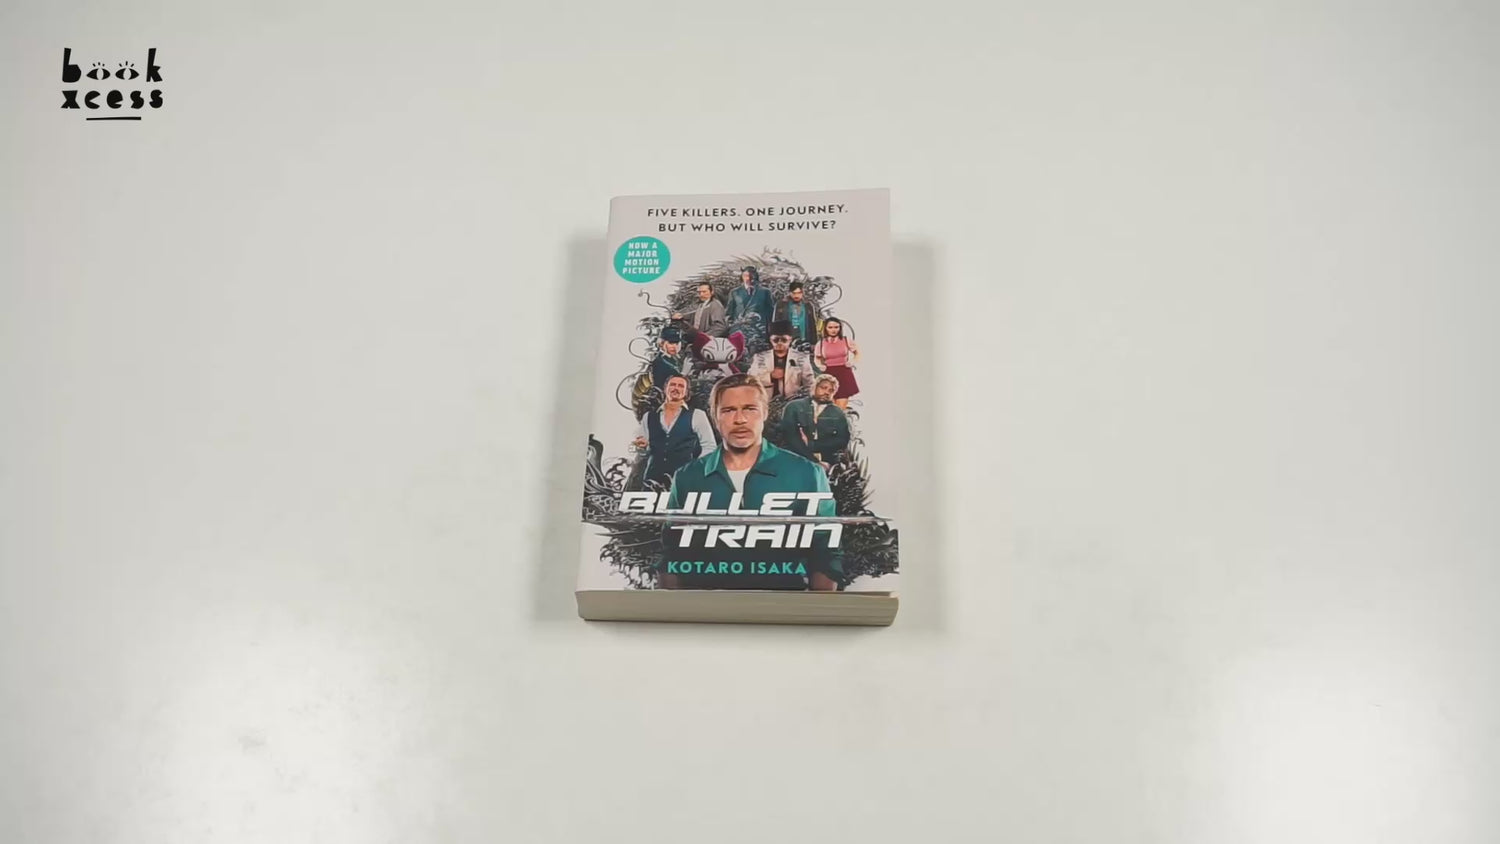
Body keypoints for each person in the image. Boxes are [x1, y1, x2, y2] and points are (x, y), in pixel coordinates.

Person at [659, 374, 842, 591]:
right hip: (708, 607)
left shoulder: (807, 473)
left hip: (782, 605)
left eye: (750, 409)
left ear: (764, 412)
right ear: (715, 417)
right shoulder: (688, 477)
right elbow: (671, 555)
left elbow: (825, 553)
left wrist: (817, 610)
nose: (740, 419)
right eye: (729, 410)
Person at [632, 374, 717, 488]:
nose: (676, 388)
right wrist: (642, 447)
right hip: (652, 480)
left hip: (684, 480)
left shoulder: (697, 415)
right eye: (672, 385)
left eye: (681, 386)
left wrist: (695, 469)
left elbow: (710, 446)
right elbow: (643, 449)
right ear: (665, 388)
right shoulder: (648, 417)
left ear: (686, 392)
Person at [780, 374, 850, 465]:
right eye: (823, 388)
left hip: (826, 462)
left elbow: (842, 440)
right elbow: (789, 436)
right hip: (795, 458)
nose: (827, 392)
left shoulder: (838, 413)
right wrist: (814, 461)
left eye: (831, 390)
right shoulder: (794, 407)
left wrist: (812, 444)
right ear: (814, 387)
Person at [747, 320, 816, 399]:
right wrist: (770, 376)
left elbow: (809, 383)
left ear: (790, 340)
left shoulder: (801, 358)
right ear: (770, 340)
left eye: (784, 340)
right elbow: (750, 380)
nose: (780, 343)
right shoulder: (759, 358)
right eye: (776, 340)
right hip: (765, 401)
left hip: (792, 401)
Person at [812, 317, 860, 410]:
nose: (833, 330)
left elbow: (857, 353)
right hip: (828, 374)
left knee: (840, 408)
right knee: (830, 407)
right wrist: (820, 365)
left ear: (840, 328)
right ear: (826, 328)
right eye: (830, 327)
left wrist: (852, 361)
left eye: (836, 327)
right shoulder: (821, 343)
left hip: (844, 373)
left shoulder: (846, 340)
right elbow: (817, 358)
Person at [724, 266, 774, 344]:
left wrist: (768, 329)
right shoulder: (734, 292)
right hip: (738, 329)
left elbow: (770, 313)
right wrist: (731, 325)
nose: (748, 278)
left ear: (755, 276)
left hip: (759, 330)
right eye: (745, 276)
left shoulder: (765, 292)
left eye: (750, 276)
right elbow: (729, 312)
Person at [774, 280, 822, 347]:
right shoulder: (781, 304)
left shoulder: (808, 305)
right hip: (786, 341)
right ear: (790, 293)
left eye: (799, 293)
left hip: (805, 340)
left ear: (802, 292)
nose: (796, 295)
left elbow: (812, 325)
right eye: (794, 293)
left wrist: (814, 343)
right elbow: (776, 325)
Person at [649, 326, 687, 391]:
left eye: (677, 343)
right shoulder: (660, 362)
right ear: (661, 343)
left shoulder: (675, 358)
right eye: (671, 343)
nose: (675, 346)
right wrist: (684, 373)